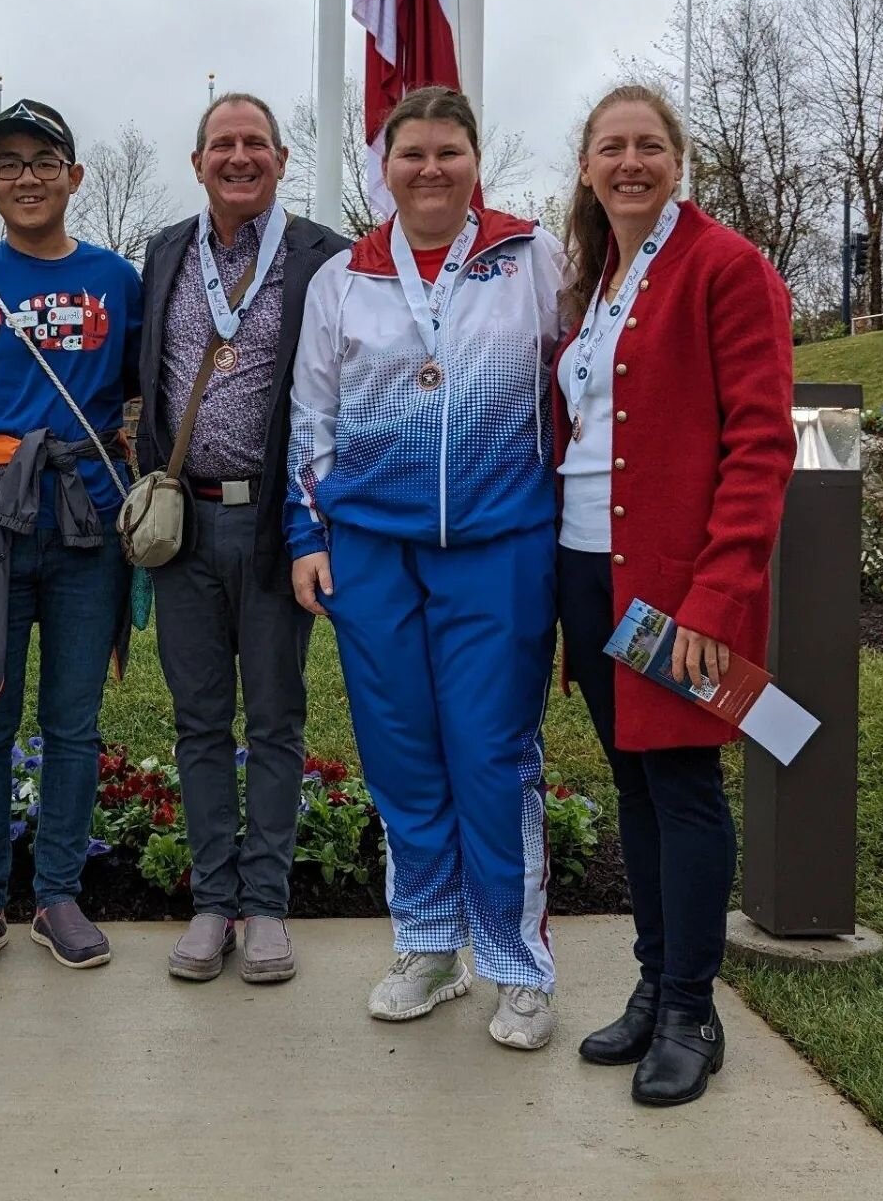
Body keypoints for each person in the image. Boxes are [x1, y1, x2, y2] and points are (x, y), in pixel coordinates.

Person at [288, 86, 566, 1048]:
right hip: (372, 551)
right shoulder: (344, 279)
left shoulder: (532, 258)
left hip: (500, 547)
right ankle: (430, 947)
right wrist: (305, 536)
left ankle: (518, 966)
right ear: (386, 167)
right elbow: (309, 420)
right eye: (412, 154)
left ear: (476, 161)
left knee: (491, 755)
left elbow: (577, 384)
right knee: (403, 755)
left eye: (450, 152)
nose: (431, 169)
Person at [554, 84, 794, 1105]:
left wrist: (716, 596)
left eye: (649, 145)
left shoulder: (726, 267)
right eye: (611, 147)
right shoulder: (596, 277)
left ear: (677, 159)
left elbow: (758, 446)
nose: (630, 163)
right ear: (587, 166)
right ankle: (656, 982)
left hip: (672, 585)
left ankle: (694, 1007)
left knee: (685, 783)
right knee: (636, 783)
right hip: (585, 568)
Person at [0, 99, 141, 977]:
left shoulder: (116, 279)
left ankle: (56, 894)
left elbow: (137, 398)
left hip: (87, 517)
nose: (27, 178)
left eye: (44, 162)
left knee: (73, 721)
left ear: (75, 177)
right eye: (8, 163)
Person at [137, 93, 349, 984]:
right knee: (197, 721)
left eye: (254, 143)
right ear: (197, 164)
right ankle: (211, 904)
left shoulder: (323, 259)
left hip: (273, 524)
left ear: (282, 158)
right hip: (184, 525)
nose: (238, 156)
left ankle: (265, 907)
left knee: (274, 718)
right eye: (221, 144)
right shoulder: (162, 255)